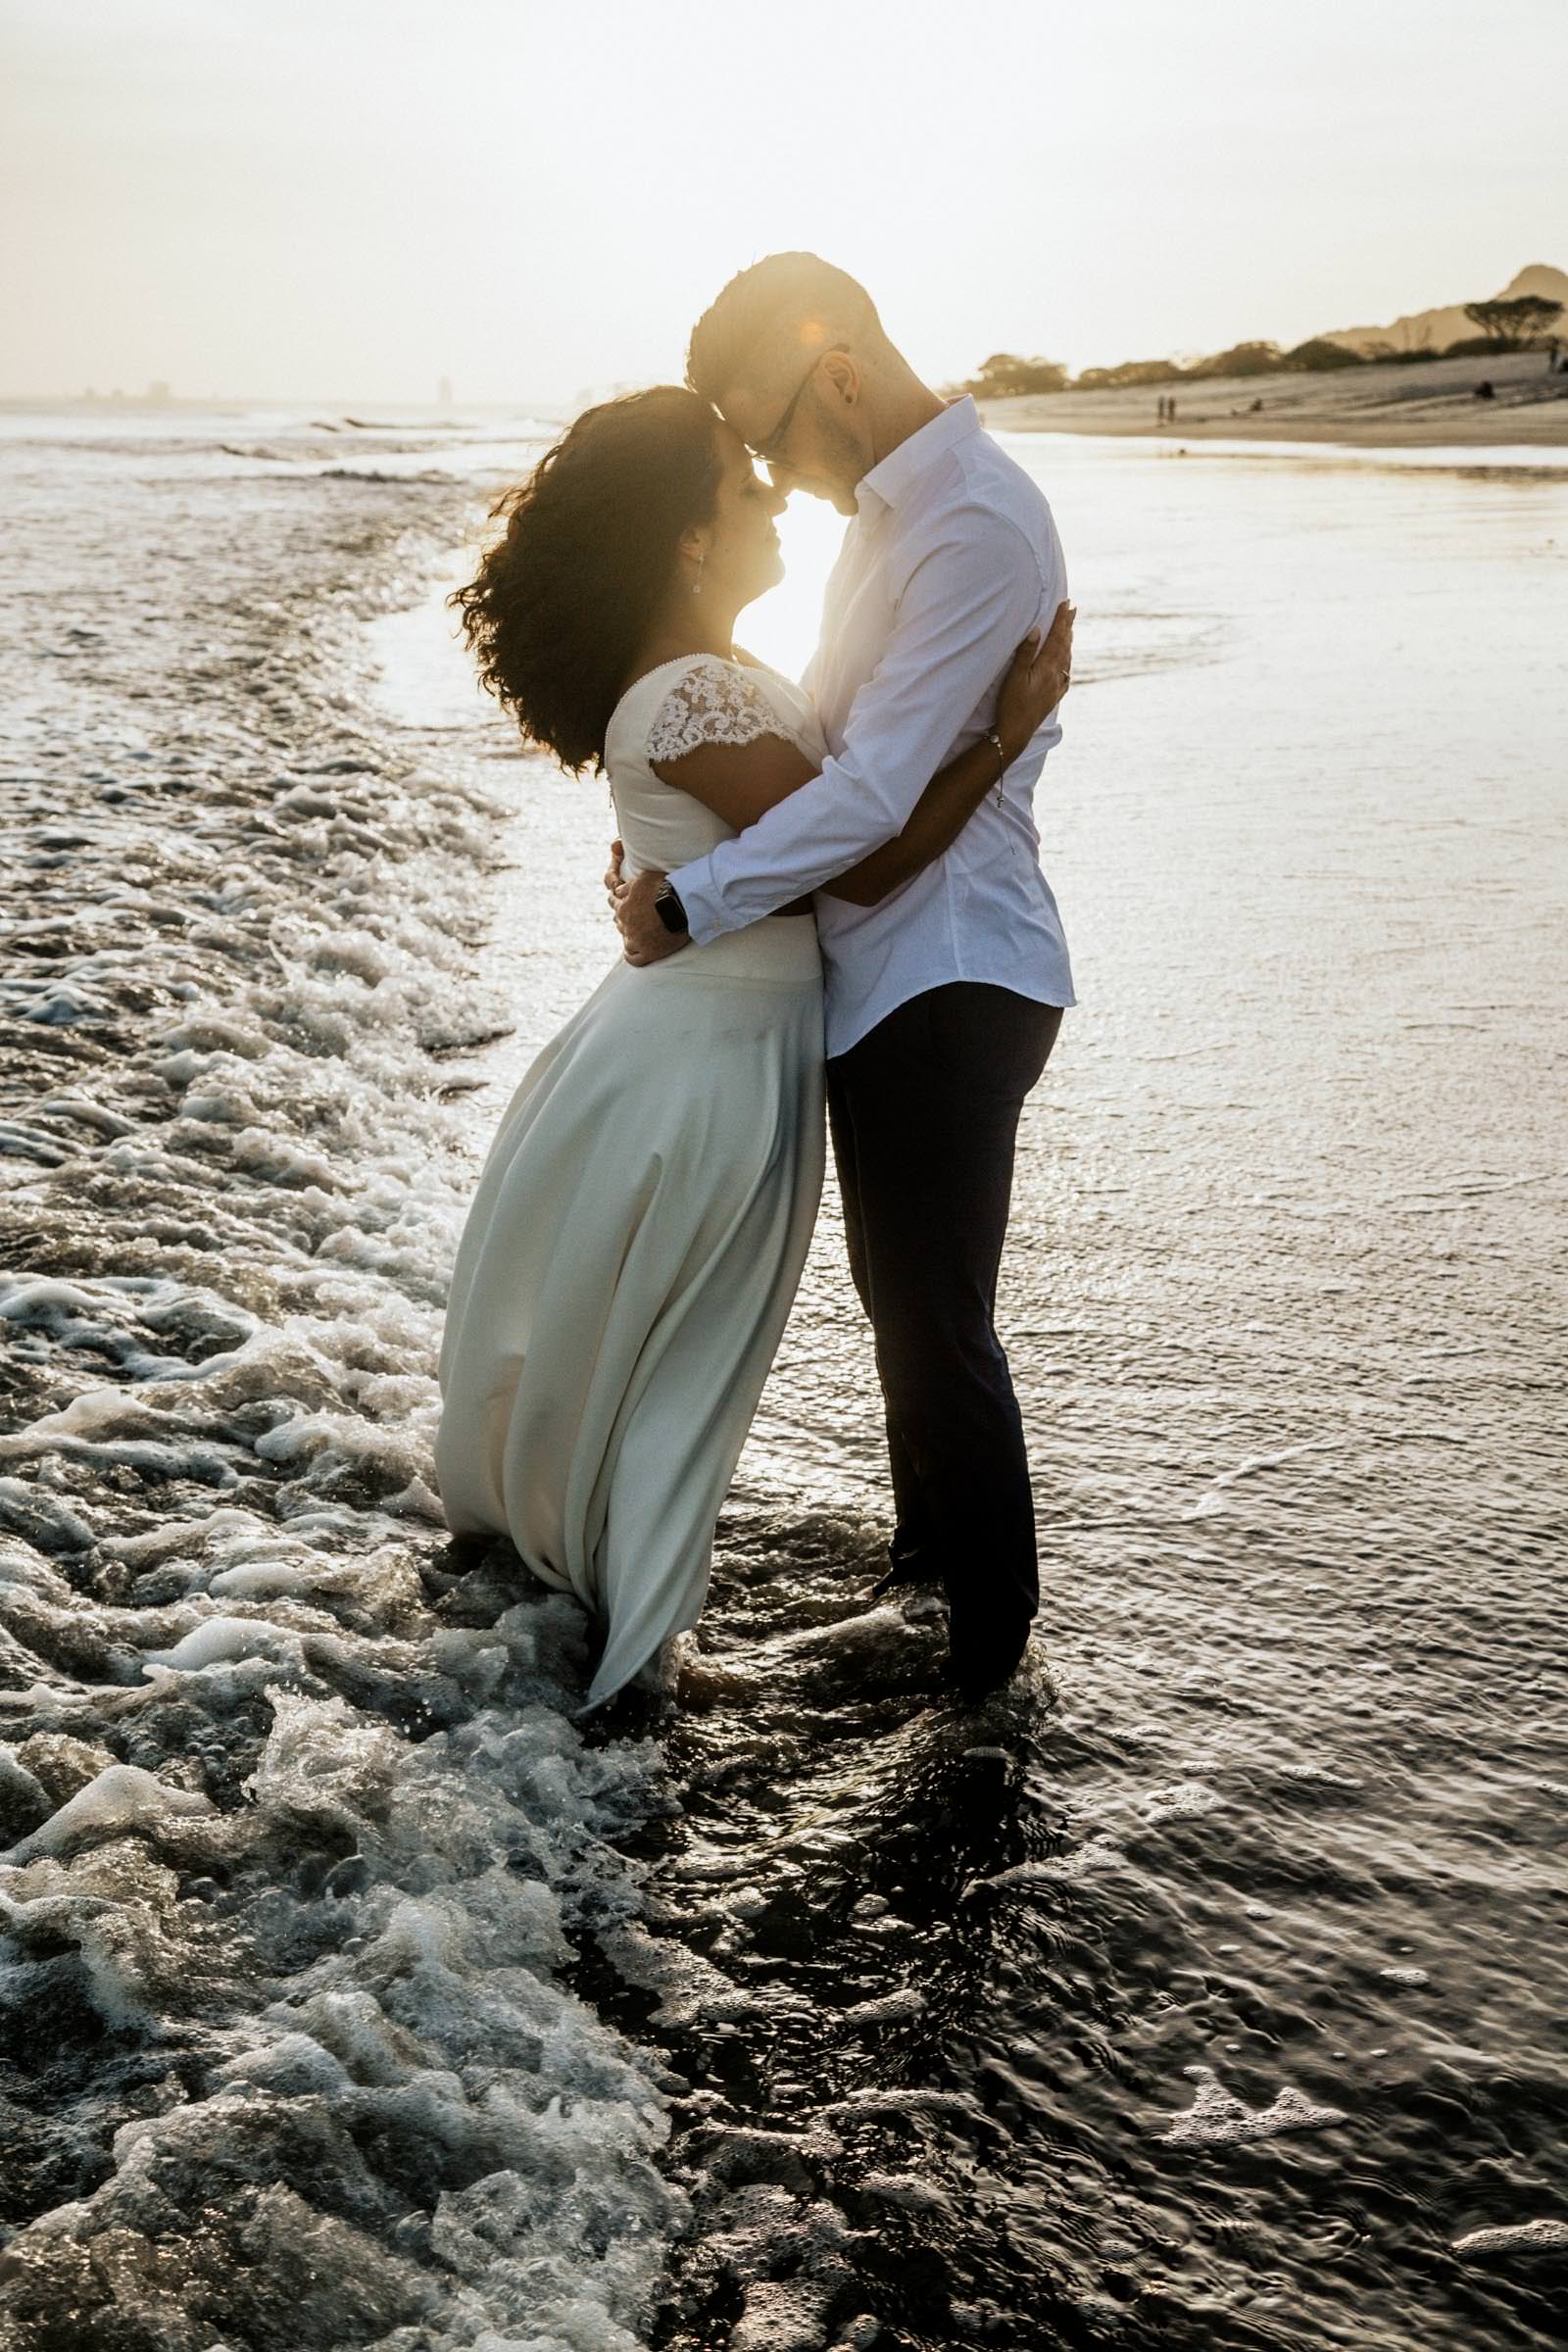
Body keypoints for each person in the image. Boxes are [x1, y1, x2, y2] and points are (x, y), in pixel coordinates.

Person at [434, 382, 1070, 1711]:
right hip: (703, 1065)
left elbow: (803, 829)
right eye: (741, 480)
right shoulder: (690, 696)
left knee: (678, 1334)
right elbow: (871, 847)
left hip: (723, 1040)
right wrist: (1007, 733)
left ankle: (617, 1621)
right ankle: (635, 1653)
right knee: (689, 1340)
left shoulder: (705, 684)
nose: (771, 492)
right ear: (684, 537)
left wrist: (667, 885)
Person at [613, 254, 1076, 1702]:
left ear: (843, 374)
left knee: (936, 1316)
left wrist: (691, 898)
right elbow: (832, 754)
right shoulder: (891, 520)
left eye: (767, 434)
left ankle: (989, 1672)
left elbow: (873, 798)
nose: (764, 469)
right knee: (904, 1304)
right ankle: (922, 1593)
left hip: (953, 966)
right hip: (886, 974)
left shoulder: (974, 528)